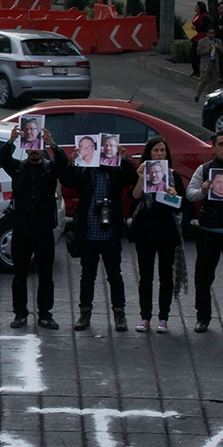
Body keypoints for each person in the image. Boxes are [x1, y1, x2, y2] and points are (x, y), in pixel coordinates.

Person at [61, 138, 137, 332]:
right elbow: (67, 180)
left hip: (110, 233)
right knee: (87, 276)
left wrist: (125, 160)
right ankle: (84, 314)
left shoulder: (116, 171)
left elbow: (131, 179)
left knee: (115, 276)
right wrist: (73, 162)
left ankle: (119, 314)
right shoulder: (85, 170)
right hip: (88, 233)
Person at [0, 124, 68, 330]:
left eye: (38, 148)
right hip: (21, 229)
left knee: (46, 274)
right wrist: (11, 141)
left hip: (44, 229)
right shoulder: (19, 168)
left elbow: (63, 162)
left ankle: (45, 314)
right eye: (31, 148)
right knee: (19, 274)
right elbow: (3, 158)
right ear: (26, 148)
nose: (34, 152)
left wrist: (52, 145)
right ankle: (20, 313)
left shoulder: (49, 169)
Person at [131, 137, 184, 333]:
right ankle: (145, 316)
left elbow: (181, 205)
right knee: (145, 275)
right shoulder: (144, 174)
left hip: (166, 230)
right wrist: (140, 177)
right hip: (145, 230)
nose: (160, 154)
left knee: (165, 275)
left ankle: (164, 317)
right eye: (156, 151)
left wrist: (172, 193)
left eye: (163, 151)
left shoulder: (172, 176)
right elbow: (135, 197)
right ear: (149, 154)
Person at [186, 131, 223, 333]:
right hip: (209, 230)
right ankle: (203, 317)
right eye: (221, 144)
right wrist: (203, 189)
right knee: (203, 276)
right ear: (214, 147)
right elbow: (190, 195)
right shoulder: (205, 169)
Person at [196, 27, 222, 101]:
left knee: (214, 82)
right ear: (207, 34)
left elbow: (222, 50)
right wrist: (209, 48)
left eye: (213, 33)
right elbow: (199, 52)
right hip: (206, 63)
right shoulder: (202, 41)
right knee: (203, 80)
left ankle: (211, 97)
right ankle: (198, 95)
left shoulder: (218, 41)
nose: (212, 35)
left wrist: (216, 46)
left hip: (214, 63)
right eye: (210, 33)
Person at [192, 1, 211, 77]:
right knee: (193, 54)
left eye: (197, 7)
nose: (195, 8)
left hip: (201, 37)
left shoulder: (205, 16)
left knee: (196, 54)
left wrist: (196, 28)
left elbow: (205, 27)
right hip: (195, 37)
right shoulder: (197, 15)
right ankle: (195, 70)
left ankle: (199, 71)